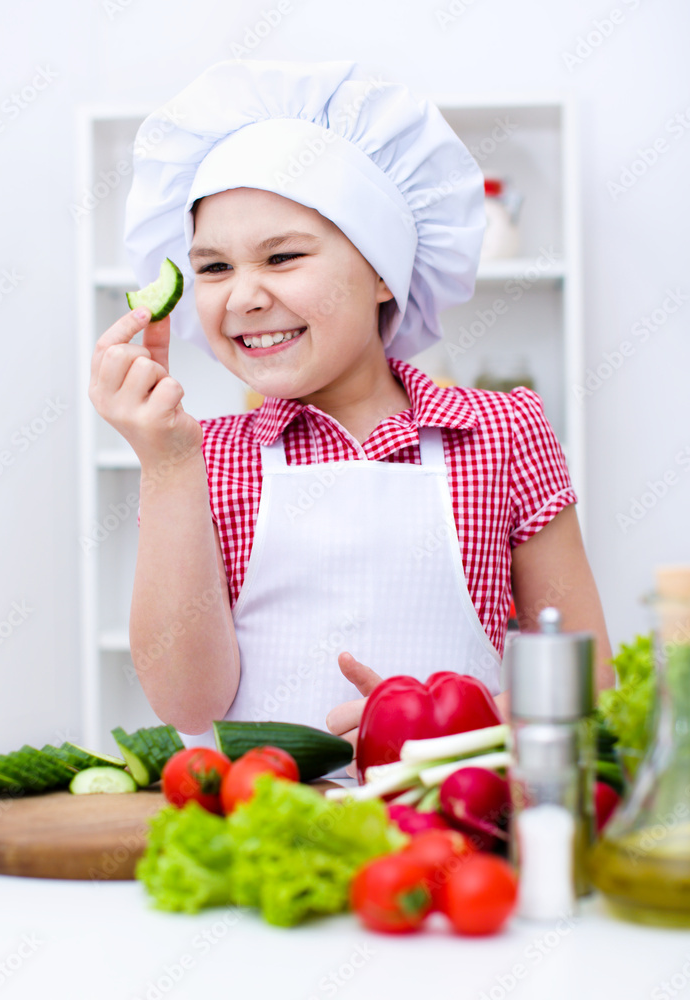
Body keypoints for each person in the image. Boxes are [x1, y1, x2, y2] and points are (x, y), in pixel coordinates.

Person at [89, 60, 613, 768]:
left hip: (449, 834)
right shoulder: (200, 456)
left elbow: (589, 693)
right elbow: (189, 704)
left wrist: (452, 723)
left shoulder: (502, 433)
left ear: (380, 272)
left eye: (282, 256)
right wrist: (168, 462)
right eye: (212, 268)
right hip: (261, 844)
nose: (241, 296)